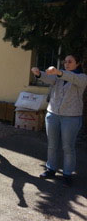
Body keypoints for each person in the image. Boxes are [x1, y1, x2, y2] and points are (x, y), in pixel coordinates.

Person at [31, 55, 87, 187]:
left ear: (77, 64)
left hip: (71, 117)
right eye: (65, 62)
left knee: (68, 147)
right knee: (52, 144)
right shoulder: (58, 76)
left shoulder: (82, 78)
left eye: (70, 62)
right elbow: (48, 77)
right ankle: (50, 169)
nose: (66, 64)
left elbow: (70, 77)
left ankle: (67, 174)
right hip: (53, 114)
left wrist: (59, 72)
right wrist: (38, 73)